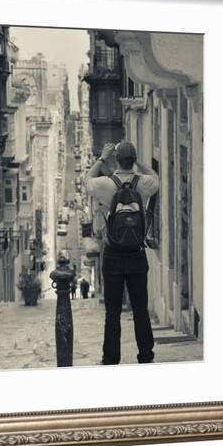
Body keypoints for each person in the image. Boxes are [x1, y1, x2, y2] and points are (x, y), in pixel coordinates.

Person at [84, 141, 159, 364]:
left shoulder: (105, 184)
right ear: (132, 160)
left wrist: (101, 158)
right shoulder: (143, 183)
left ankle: (111, 358)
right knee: (140, 310)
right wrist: (139, 162)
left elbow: (86, 180)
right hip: (136, 254)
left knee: (112, 312)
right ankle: (145, 355)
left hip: (113, 254)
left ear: (116, 160)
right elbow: (156, 178)